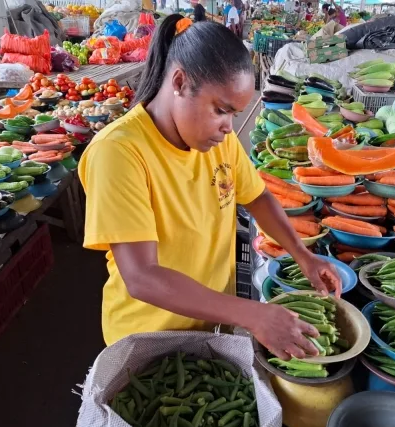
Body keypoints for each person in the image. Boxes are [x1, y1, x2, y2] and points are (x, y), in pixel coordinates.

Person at [79, 15, 341, 360]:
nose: (228, 128)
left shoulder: (218, 143)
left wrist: (302, 254)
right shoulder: (118, 152)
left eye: (234, 115)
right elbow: (142, 276)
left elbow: (258, 196)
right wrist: (251, 314)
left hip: (210, 322)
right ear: (179, 81)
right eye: (221, 110)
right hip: (148, 339)